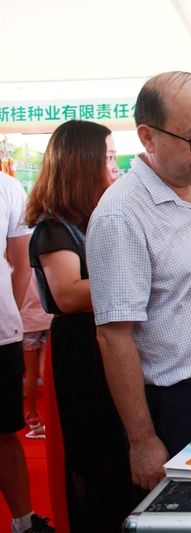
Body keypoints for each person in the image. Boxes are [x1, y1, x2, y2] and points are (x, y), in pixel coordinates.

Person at [86, 71, 191, 491]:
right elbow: (114, 336)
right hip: (179, 406)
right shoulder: (122, 214)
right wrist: (142, 440)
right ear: (148, 136)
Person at [25, 119, 135, 532]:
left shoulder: (96, 219)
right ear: (82, 163)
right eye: (109, 158)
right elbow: (69, 294)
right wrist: (137, 276)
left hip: (109, 339)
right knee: (93, 450)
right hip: (82, 350)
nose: (116, 167)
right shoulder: (54, 226)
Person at [0, 171, 53, 533]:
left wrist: (11, 313)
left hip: (2, 333)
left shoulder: (7, 187)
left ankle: (24, 521)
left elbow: (21, 264)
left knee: (5, 431)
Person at [19, 278, 51, 439]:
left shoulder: (15, 266)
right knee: (46, 372)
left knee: (31, 373)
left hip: (28, 321)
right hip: (47, 317)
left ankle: (33, 417)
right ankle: (51, 417)